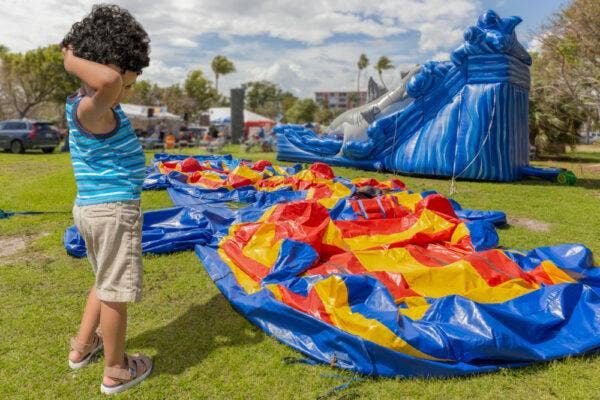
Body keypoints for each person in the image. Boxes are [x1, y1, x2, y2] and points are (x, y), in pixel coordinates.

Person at [61, 4, 152, 394]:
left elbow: (111, 80)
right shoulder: (91, 106)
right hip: (113, 213)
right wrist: (70, 58)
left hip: (93, 209)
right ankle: (116, 370)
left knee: (103, 281)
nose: (125, 90)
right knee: (116, 292)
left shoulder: (92, 107)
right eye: (127, 83)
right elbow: (110, 80)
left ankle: (83, 347)